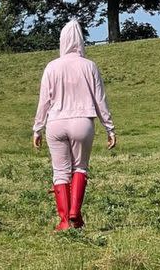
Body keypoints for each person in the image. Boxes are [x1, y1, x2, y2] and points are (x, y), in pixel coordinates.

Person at [32, 19, 116, 231]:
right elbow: (100, 99)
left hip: (55, 123)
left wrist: (37, 128)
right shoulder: (90, 66)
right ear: (81, 41)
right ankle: (75, 214)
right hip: (82, 121)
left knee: (60, 172)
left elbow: (44, 101)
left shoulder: (52, 67)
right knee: (80, 167)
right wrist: (109, 128)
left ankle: (63, 221)